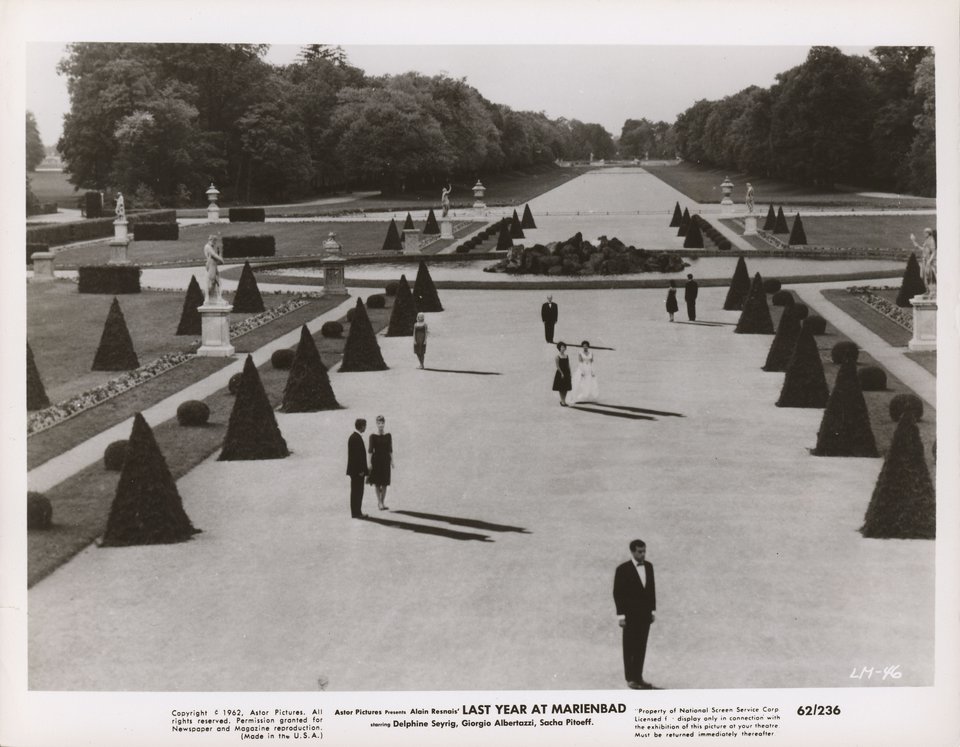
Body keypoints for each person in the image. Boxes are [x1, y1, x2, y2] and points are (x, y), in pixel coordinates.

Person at [613, 539, 657, 690]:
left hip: (645, 615)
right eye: (639, 552)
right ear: (632, 552)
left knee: (641, 646)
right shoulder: (622, 569)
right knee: (629, 646)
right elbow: (618, 593)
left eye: (644, 551)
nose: (643, 554)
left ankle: (639, 677)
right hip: (630, 616)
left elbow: (651, 589)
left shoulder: (649, 567)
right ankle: (630, 678)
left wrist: (652, 611)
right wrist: (621, 616)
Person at [368, 415, 394, 510]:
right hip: (376, 461)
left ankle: (382, 502)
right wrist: (369, 462)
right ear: (376, 424)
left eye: (382, 423)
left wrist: (392, 461)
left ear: (384, 423)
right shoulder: (373, 436)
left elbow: (390, 449)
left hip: (386, 460)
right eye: (379, 423)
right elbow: (370, 450)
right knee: (377, 483)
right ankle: (379, 502)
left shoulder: (388, 435)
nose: (381, 425)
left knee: (385, 482)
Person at [346, 419, 369, 519]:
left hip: (354, 471)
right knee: (358, 491)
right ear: (362, 426)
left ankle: (356, 512)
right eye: (365, 425)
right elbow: (356, 457)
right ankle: (357, 512)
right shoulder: (356, 438)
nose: (366, 427)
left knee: (356, 491)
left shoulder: (354, 437)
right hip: (357, 471)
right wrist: (360, 470)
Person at [910, 228, 937, 295]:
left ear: (928, 233)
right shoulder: (927, 240)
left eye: (925, 233)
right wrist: (913, 240)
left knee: (929, 276)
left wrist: (929, 261)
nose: (924, 234)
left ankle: (931, 291)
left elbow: (934, 252)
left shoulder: (931, 240)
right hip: (924, 260)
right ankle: (928, 291)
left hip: (928, 261)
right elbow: (923, 249)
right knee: (923, 276)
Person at [203, 234, 225, 305]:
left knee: (218, 282)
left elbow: (216, 258)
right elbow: (213, 255)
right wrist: (221, 259)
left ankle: (219, 297)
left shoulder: (211, 247)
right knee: (209, 282)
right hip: (210, 266)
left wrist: (220, 254)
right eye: (215, 241)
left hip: (214, 266)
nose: (215, 243)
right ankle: (207, 298)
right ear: (211, 240)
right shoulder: (207, 247)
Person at [552, 342, 572, 407]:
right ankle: (562, 401)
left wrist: (570, 373)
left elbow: (568, 365)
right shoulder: (557, 357)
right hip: (560, 373)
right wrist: (561, 373)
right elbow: (557, 366)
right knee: (561, 388)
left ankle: (563, 400)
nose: (563, 348)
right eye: (562, 347)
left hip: (567, 373)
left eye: (564, 347)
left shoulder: (567, 356)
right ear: (559, 348)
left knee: (566, 387)